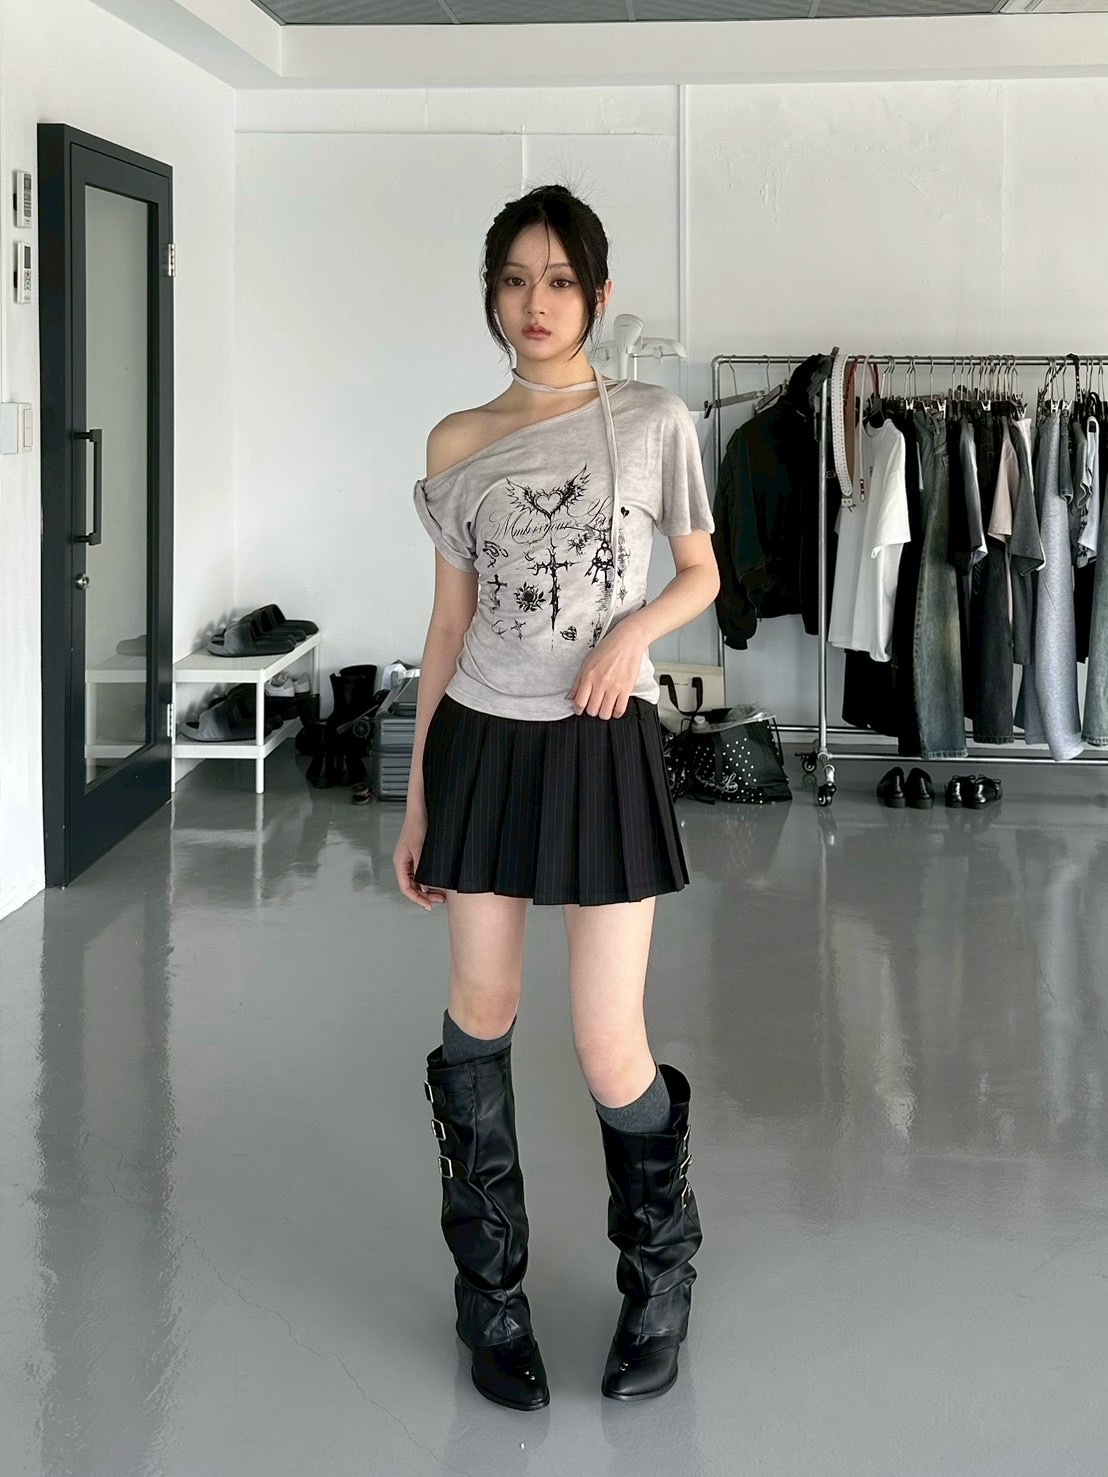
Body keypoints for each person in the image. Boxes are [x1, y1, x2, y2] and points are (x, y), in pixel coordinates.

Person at [393, 184, 719, 1412]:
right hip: (483, 741)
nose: (537, 302)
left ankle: (661, 1277)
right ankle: (491, 1297)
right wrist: (417, 800)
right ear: (493, 291)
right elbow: (445, 629)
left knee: (605, 1040)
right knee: (479, 1017)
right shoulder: (457, 440)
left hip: (600, 745)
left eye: (561, 280)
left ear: (598, 293)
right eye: (516, 279)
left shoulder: (651, 419)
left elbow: (701, 573)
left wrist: (634, 633)